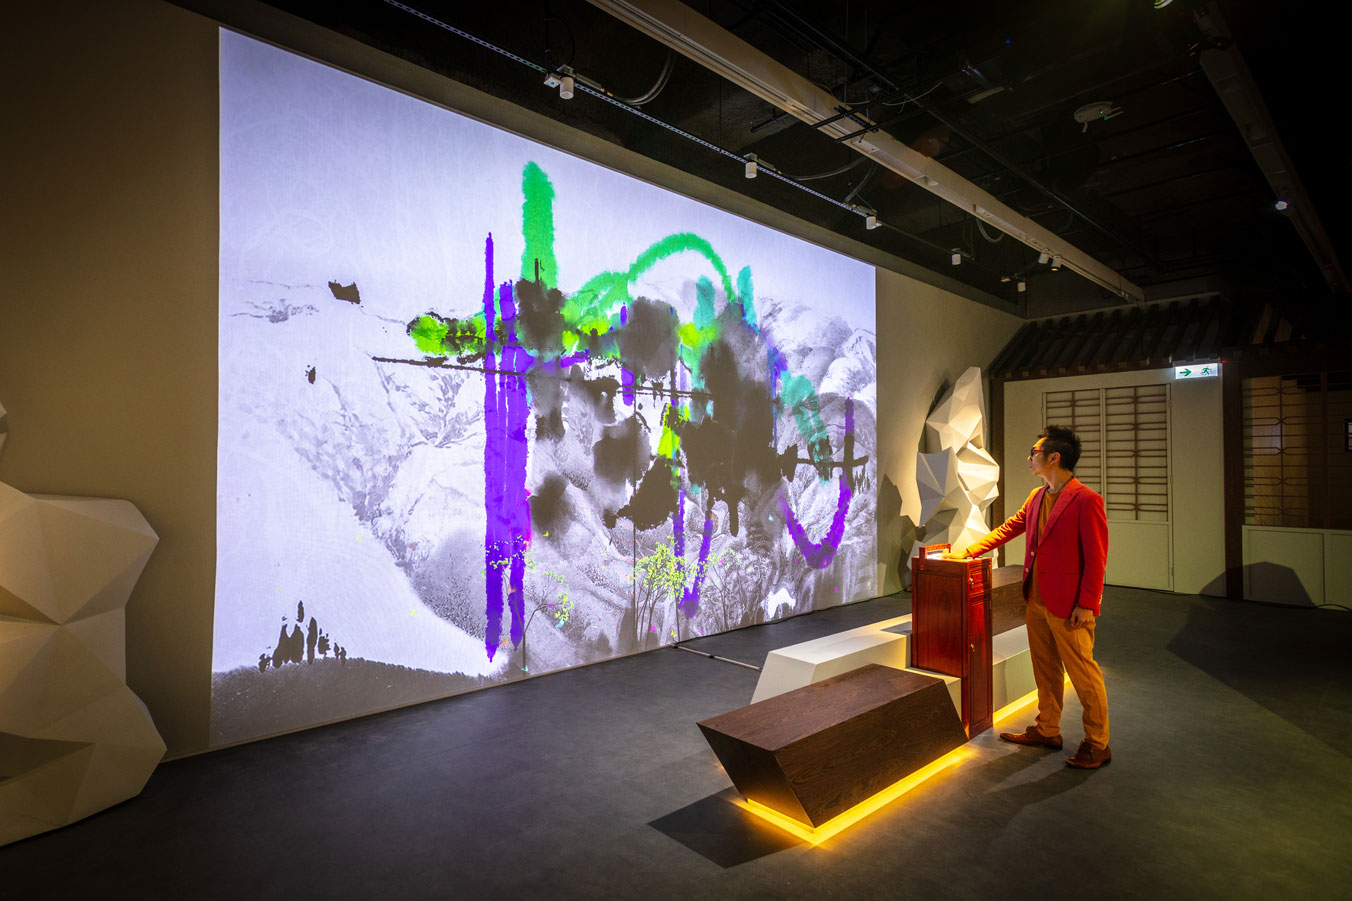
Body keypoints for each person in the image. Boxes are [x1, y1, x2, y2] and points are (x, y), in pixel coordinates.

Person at [948, 425, 1112, 769]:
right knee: (1045, 668)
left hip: (1069, 606)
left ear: (1054, 457)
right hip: (1036, 600)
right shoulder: (1037, 496)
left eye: (1034, 453)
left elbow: (1097, 559)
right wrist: (969, 552)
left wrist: (1087, 605)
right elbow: (1010, 527)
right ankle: (1047, 728)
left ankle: (1097, 744)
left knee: (1083, 674)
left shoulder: (1086, 500)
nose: (1029, 458)